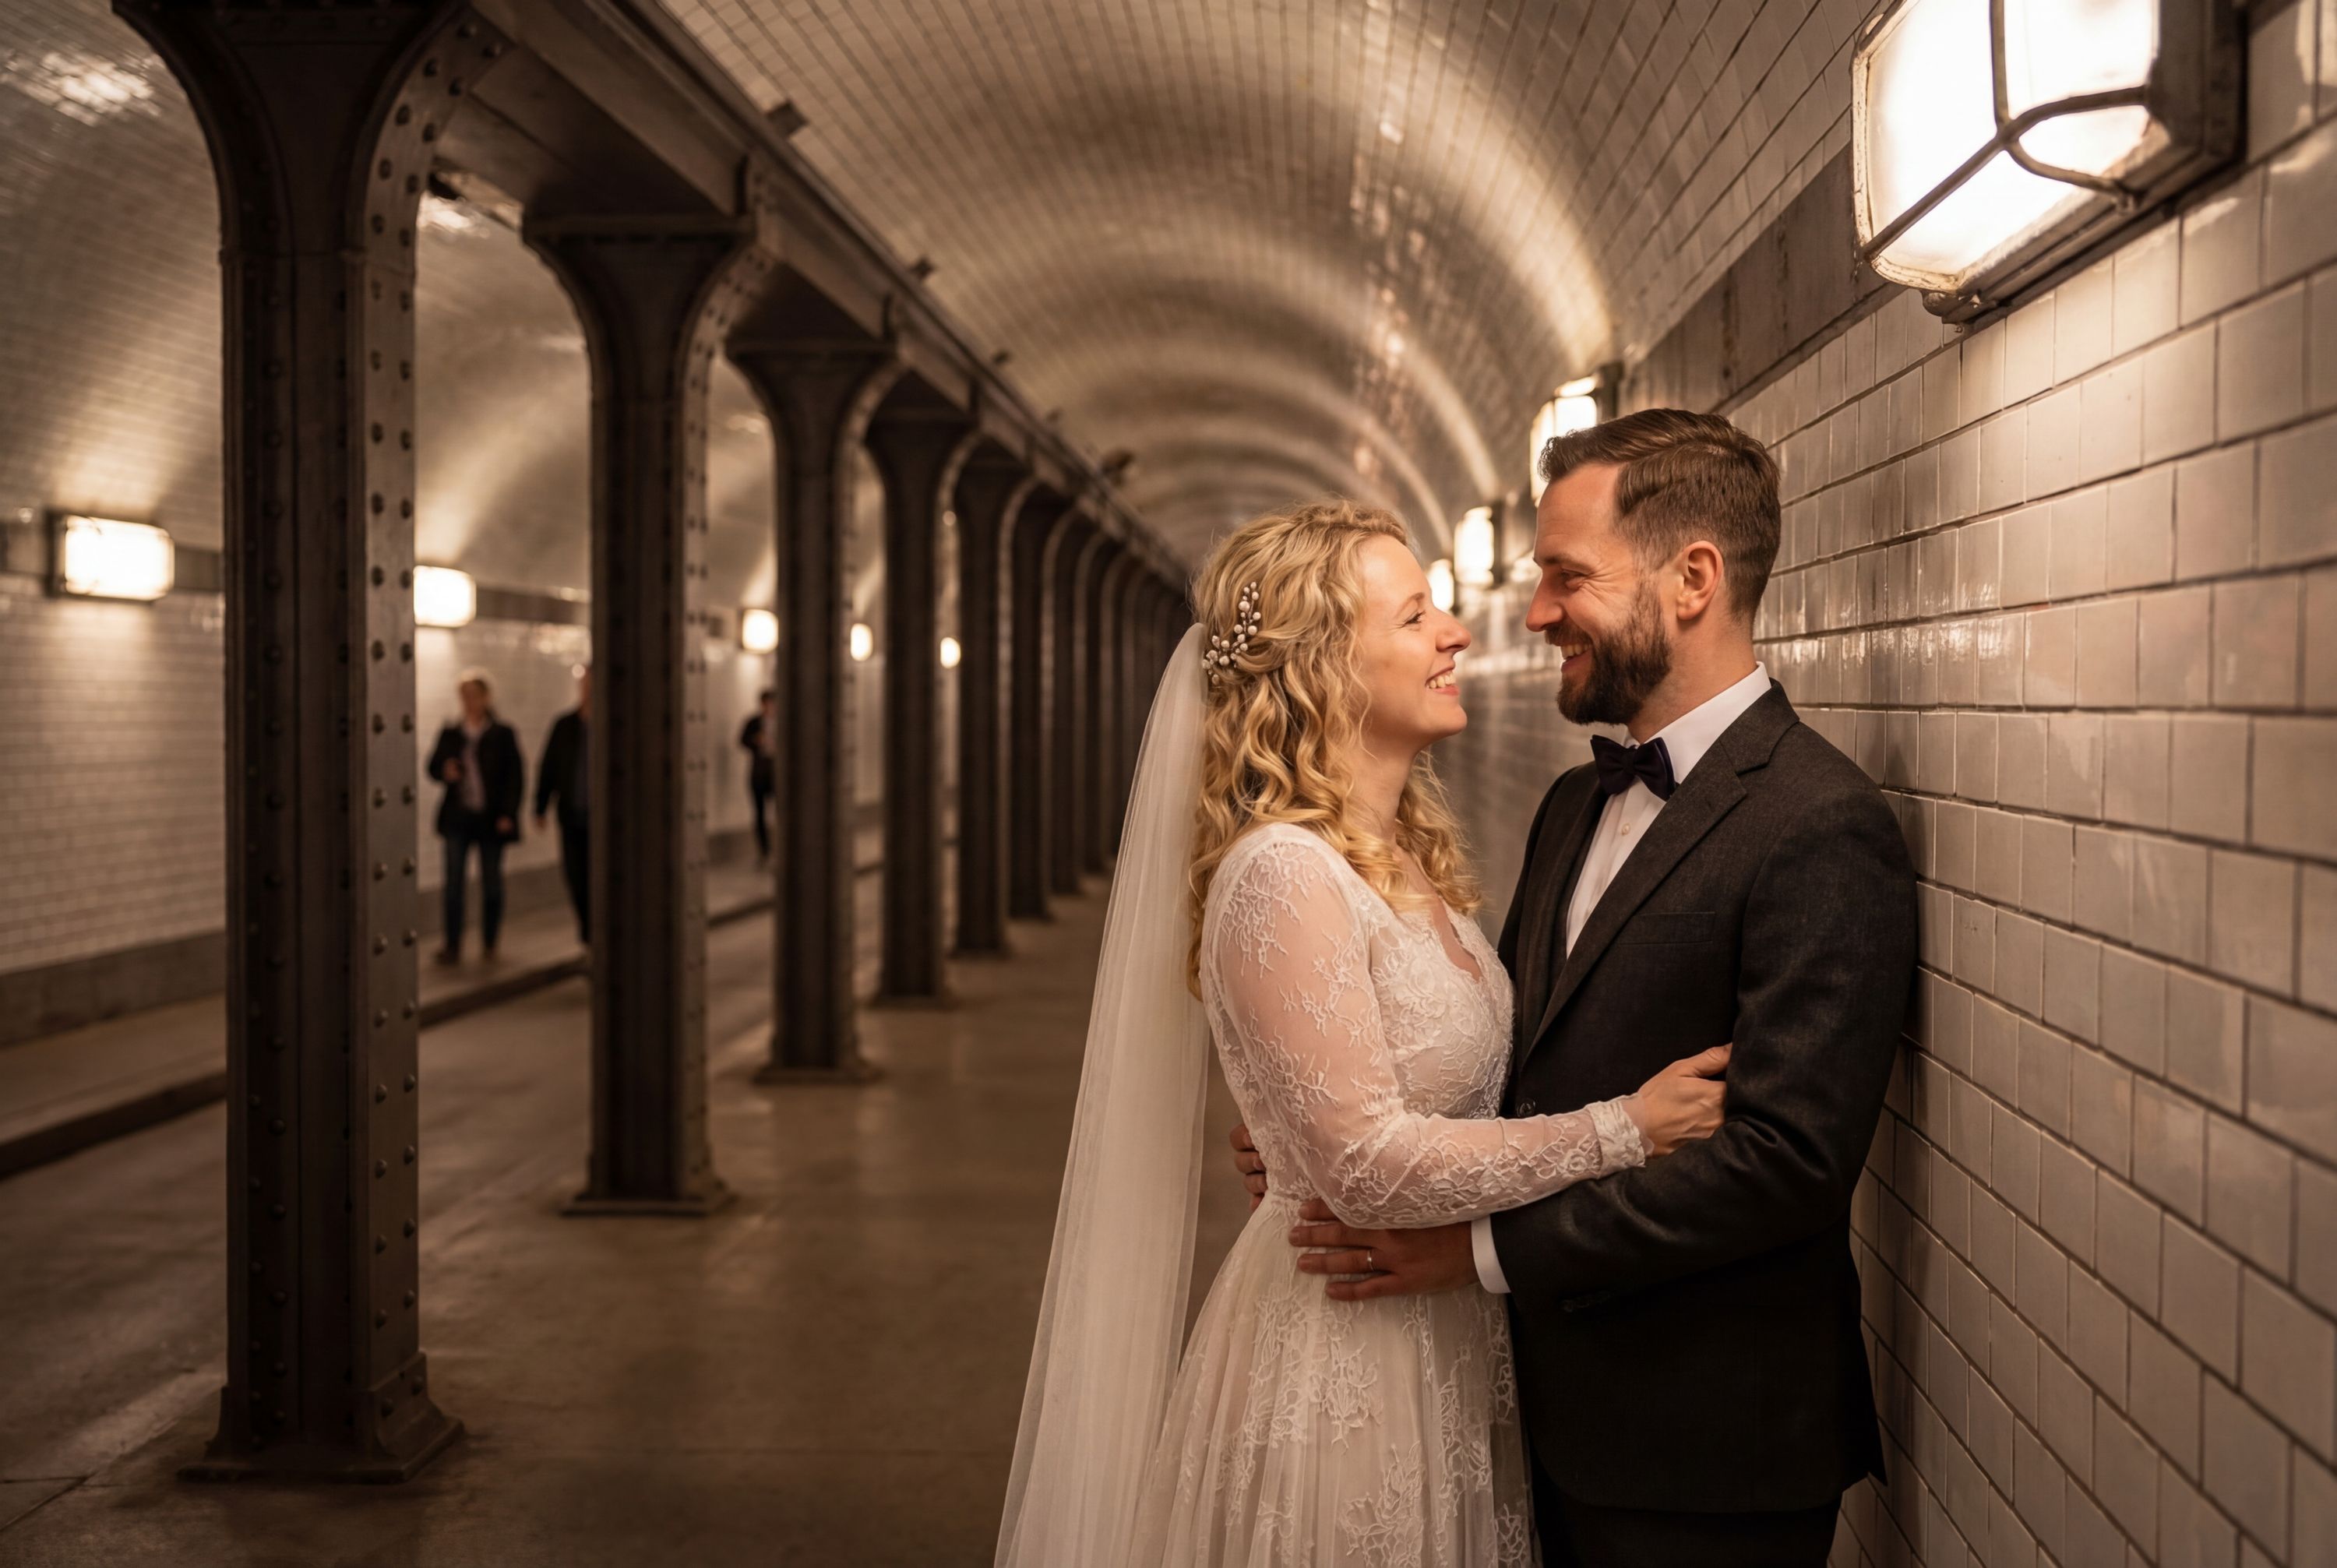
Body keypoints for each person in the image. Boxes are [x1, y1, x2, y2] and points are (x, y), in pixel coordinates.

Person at [1236, 410, 1920, 1566]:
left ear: (1693, 578)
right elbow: (1515, 1062)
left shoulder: (1821, 823)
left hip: (1702, 1445)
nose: (1536, 610)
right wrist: (1326, 1121)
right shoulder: (1574, 804)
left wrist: (1477, 1254)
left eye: (1567, 576)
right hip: (1525, 1411)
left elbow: (1786, 1168)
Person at [996, 499, 1732, 1568]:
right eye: (1414, 616)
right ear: (1325, 668)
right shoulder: (1284, 873)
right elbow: (1370, 1168)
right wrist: (1625, 1128)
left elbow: (1382, 1109)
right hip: (1340, 1356)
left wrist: (1296, 1136)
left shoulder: (1406, 857)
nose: (1457, 634)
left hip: (1443, 1335)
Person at [427, 669, 523, 964]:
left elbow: (515, 777)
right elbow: (432, 767)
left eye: (473, 696)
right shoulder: (452, 733)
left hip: (490, 819)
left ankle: (490, 942)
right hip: (458, 818)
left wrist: (508, 813)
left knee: (491, 883)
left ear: (485, 698)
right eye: (464, 696)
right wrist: (446, 770)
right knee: (454, 883)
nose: (469, 702)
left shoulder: (502, 734)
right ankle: (453, 944)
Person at [534, 664, 590, 944]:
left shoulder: (613, 726)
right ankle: (589, 929)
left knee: (598, 876)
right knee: (575, 875)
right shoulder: (565, 725)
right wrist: (540, 806)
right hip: (571, 814)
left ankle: (598, 931)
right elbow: (550, 767)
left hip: (601, 818)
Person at [739, 690, 777, 863]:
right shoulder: (754, 722)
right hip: (759, 773)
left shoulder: (783, 723)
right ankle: (764, 851)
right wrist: (756, 741)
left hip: (777, 774)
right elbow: (742, 740)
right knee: (759, 813)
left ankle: (780, 848)